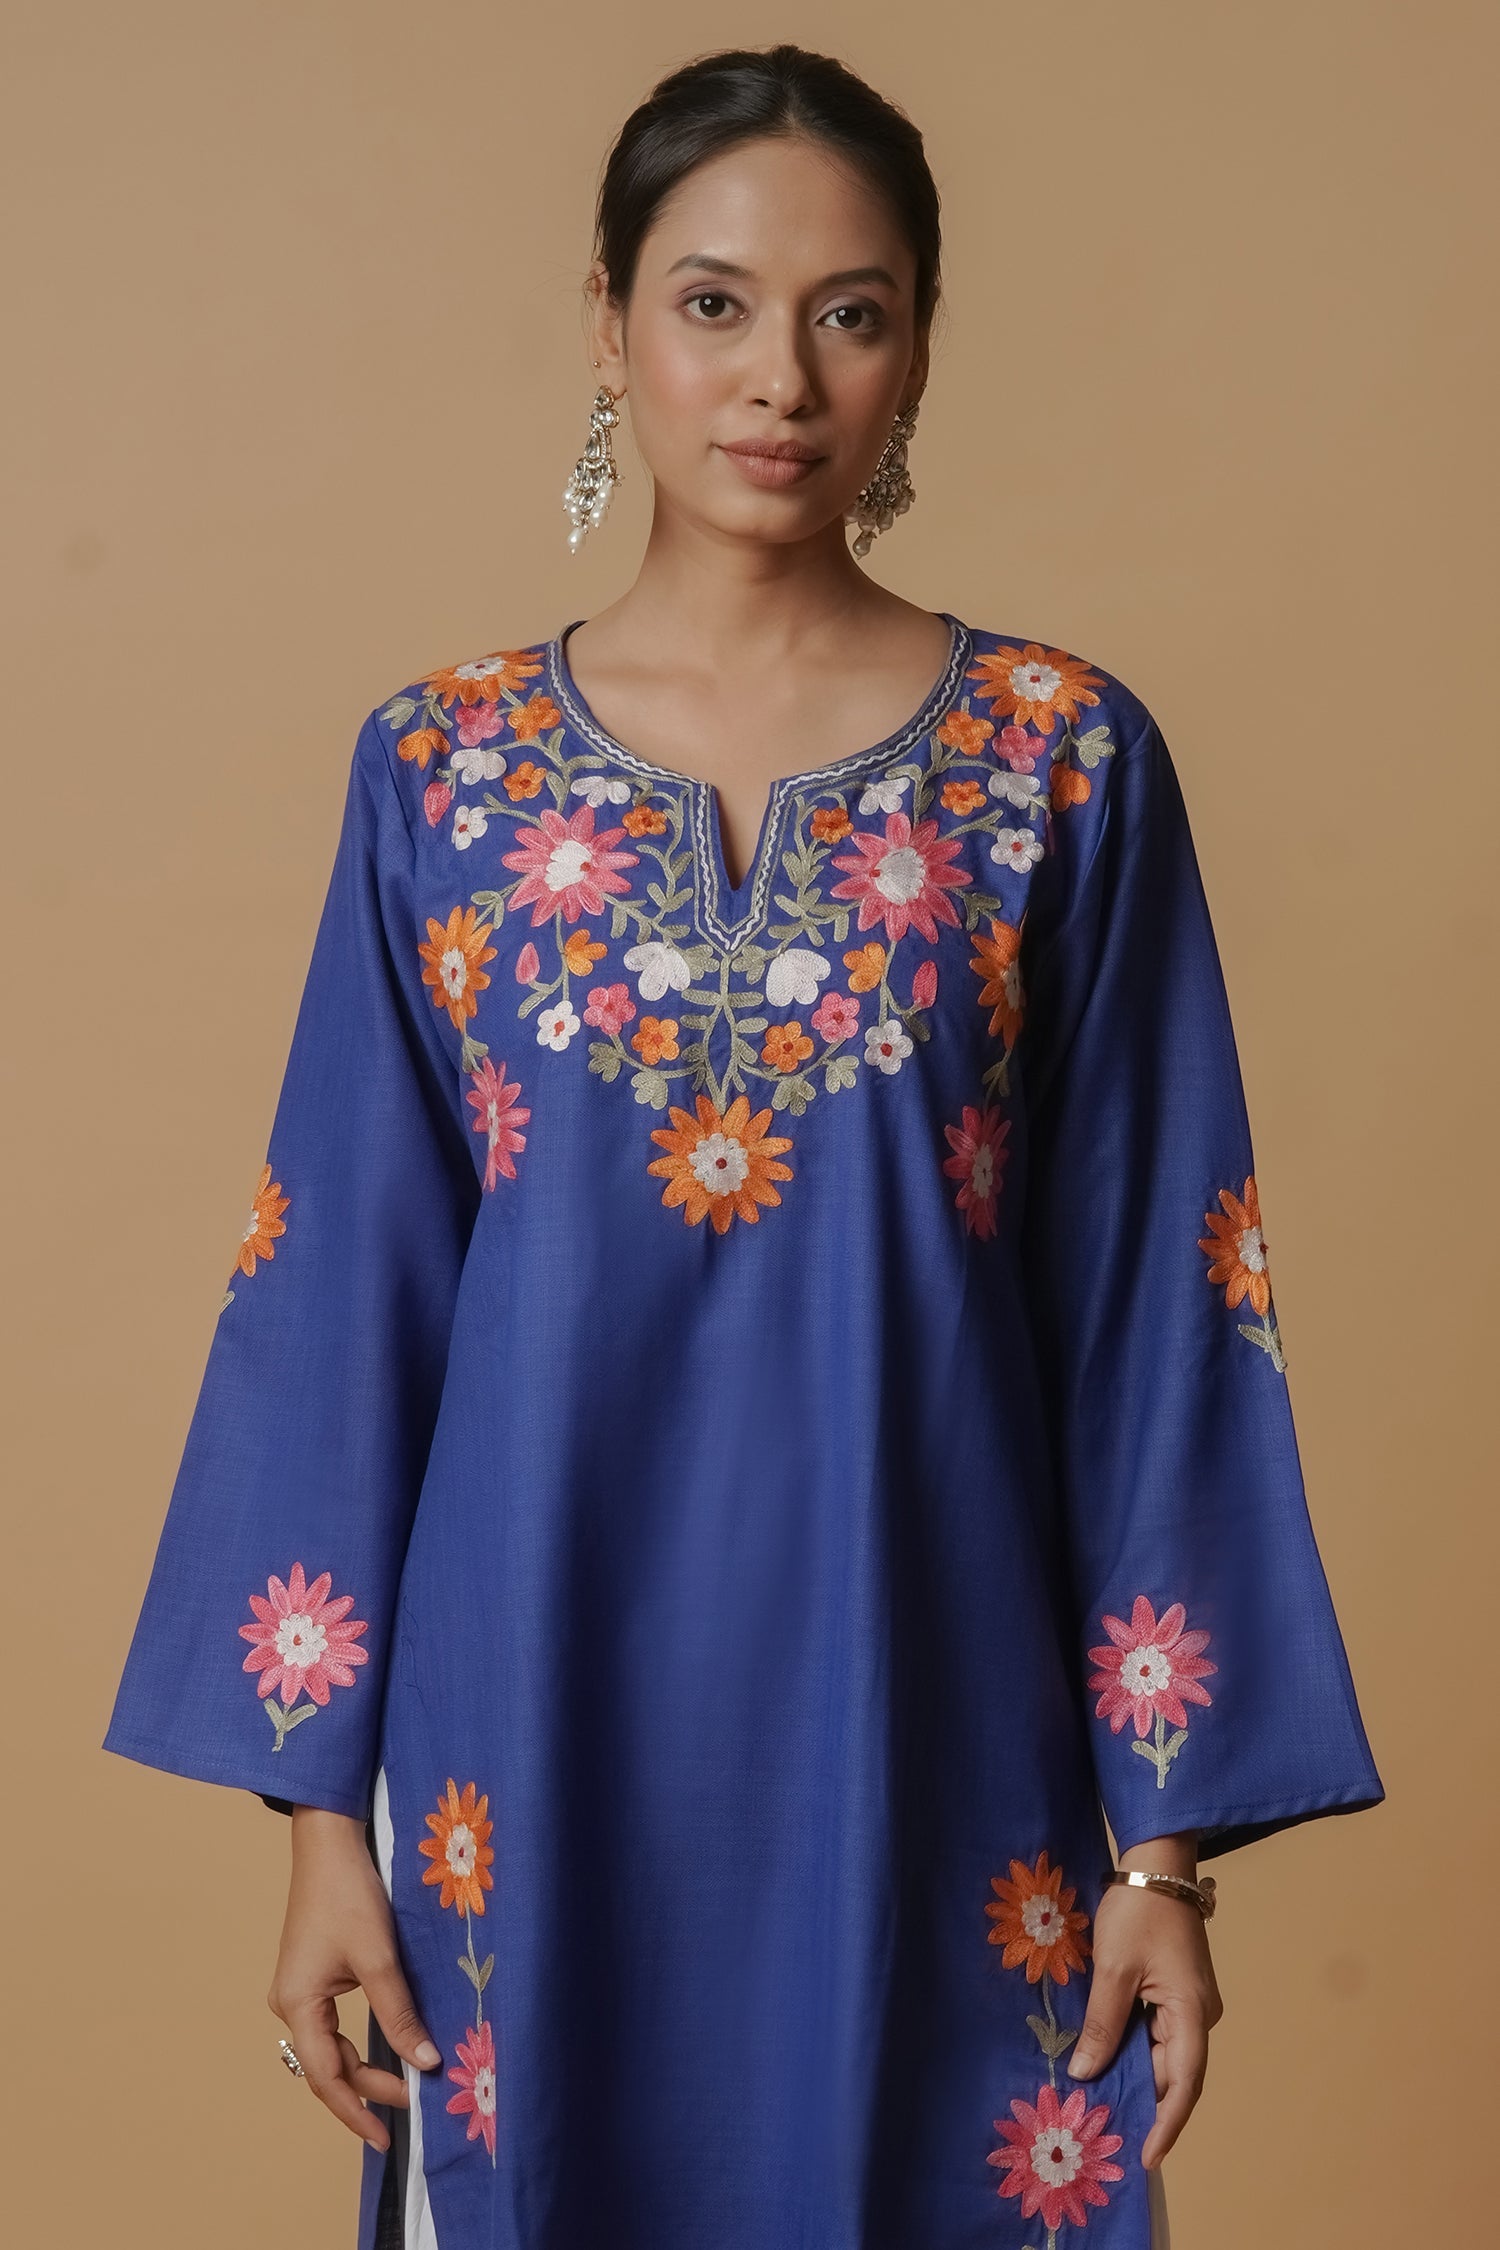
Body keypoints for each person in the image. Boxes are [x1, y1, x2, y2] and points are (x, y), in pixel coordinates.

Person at [103, 42, 1383, 2250]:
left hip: (935, 1727)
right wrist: (320, 1829)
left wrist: (1162, 1853)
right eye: (714, 304)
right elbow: (337, 1302)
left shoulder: (1058, 764)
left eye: (848, 312)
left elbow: (1157, 1317)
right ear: (611, 324)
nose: (780, 377)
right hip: (522, 1737)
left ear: (919, 350)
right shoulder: (445, 774)